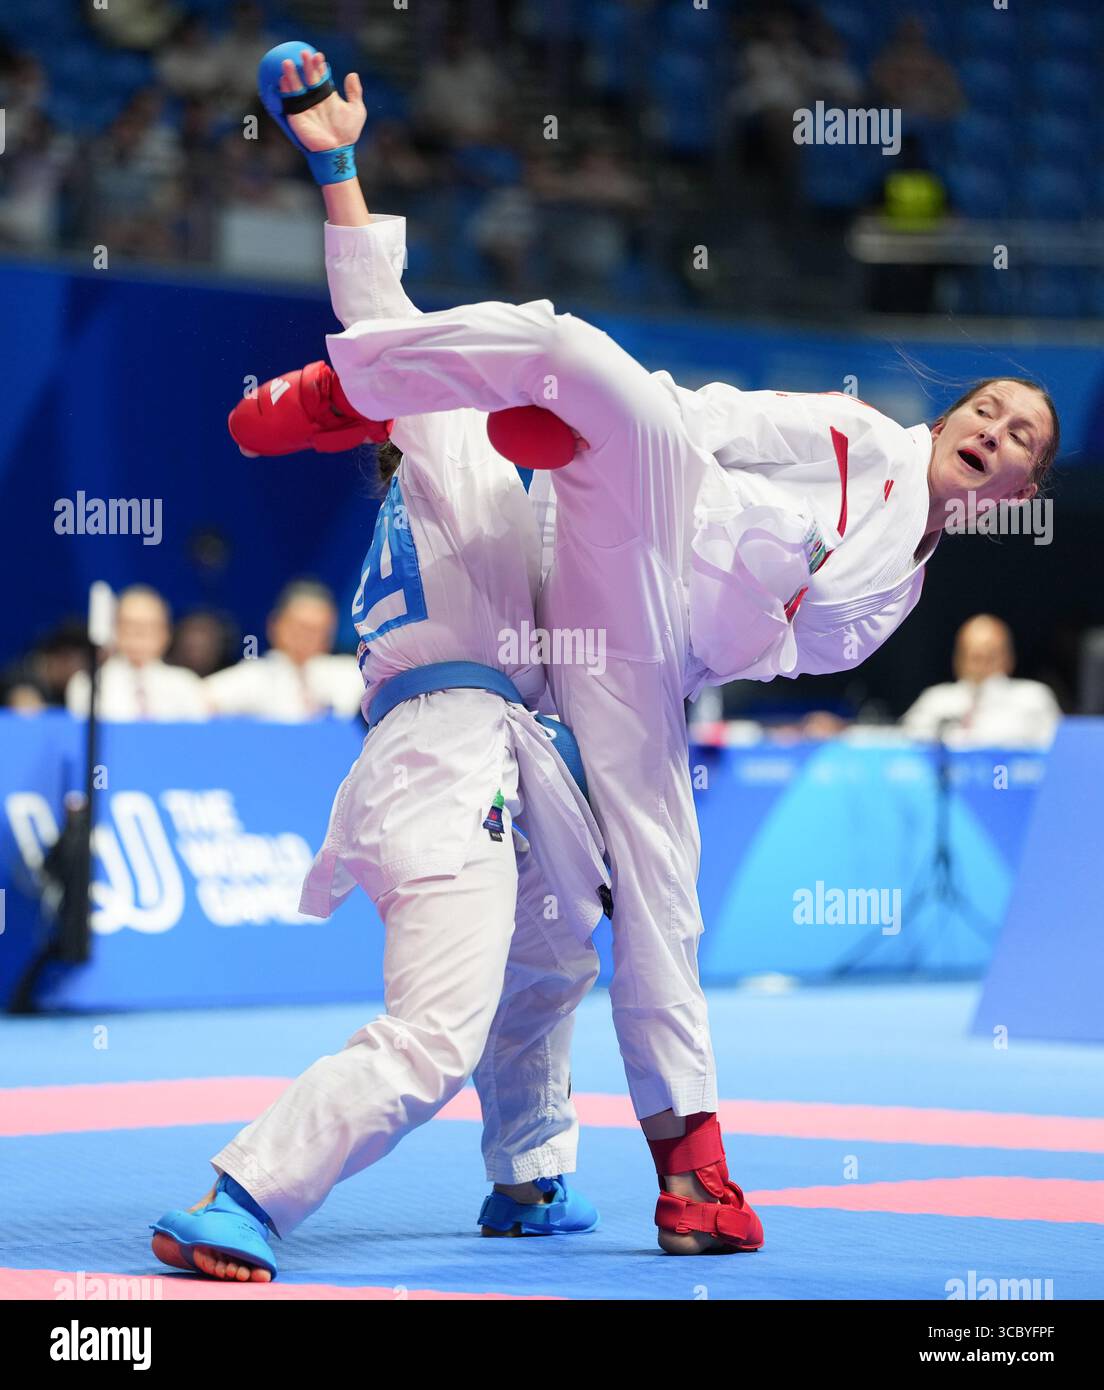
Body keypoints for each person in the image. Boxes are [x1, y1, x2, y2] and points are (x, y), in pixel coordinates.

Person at [302, 256, 1057, 1253]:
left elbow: (761, 649)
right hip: (627, 511)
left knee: (654, 887)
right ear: (952, 417)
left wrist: (777, 565)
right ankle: (367, 385)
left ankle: (686, 1175)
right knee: (585, 358)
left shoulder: (893, 599)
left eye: (1019, 438)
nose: (993, 429)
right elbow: (720, 421)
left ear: (1018, 491)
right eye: (989, 409)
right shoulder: (861, 434)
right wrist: (635, 456)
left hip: (646, 655)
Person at [150, 47, 610, 1283]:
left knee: (556, 956)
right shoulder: (448, 436)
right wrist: (340, 164)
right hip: (445, 755)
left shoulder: (518, 487)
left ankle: (529, 1173)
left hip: (491, 756)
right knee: (435, 1035)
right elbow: (381, 316)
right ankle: (245, 1191)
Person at [204, 581, 364, 720]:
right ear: (275, 625)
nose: (309, 638)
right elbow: (200, 701)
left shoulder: (349, 672)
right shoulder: (254, 676)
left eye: (319, 630)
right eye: (302, 628)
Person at [902, 614, 1061, 748]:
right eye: (975, 657)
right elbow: (904, 743)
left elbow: (1059, 751)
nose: (982, 666)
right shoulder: (935, 700)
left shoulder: (1033, 698)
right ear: (957, 660)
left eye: (991, 657)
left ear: (1009, 658)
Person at [66, 585, 207, 721]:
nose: (139, 635)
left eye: (149, 626)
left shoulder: (186, 684)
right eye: (130, 625)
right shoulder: (89, 684)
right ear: (114, 629)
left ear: (166, 633)